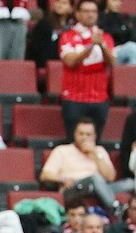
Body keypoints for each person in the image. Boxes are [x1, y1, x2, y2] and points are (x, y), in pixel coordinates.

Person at [58, 0, 114, 139]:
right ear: (77, 14)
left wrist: (101, 45)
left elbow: (112, 62)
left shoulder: (105, 37)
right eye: (86, 11)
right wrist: (90, 46)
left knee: (95, 142)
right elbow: (70, 61)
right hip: (74, 98)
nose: (91, 15)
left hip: (99, 99)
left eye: (94, 12)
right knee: (74, 141)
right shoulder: (67, 37)